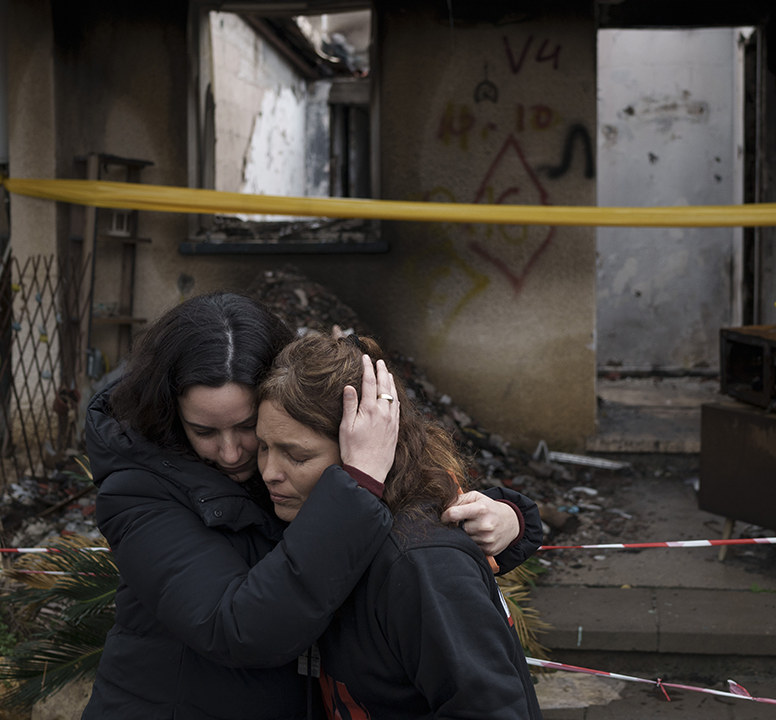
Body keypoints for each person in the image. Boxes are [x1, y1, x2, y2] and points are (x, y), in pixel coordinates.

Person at [82, 293, 539, 720]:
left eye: (247, 428)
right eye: (203, 431)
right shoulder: (138, 490)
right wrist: (356, 487)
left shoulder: (307, 461)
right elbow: (240, 627)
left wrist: (508, 522)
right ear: (169, 412)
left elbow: (417, 540)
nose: (233, 454)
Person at [257, 331, 543, 720]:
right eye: (263, 446)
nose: (269, 472)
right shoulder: (306, 522)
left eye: (296, 455)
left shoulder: (418, 564)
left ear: (366, 448)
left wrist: (513, 516)